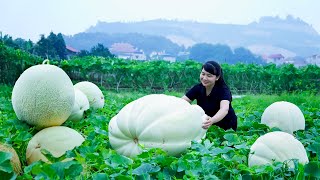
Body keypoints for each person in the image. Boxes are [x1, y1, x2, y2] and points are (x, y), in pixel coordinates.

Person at [182, 61, 237, 131]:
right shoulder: (198, 88)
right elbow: (182, 102)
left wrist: (212, 120)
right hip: (206, 124)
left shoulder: (223, 90)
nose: (204, 78)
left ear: (217, 77)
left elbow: (224, 109)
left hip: (225, 126)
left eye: (209, 76)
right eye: (203, 74)